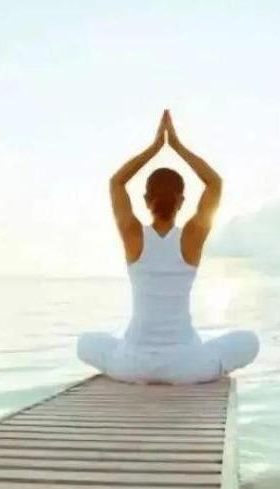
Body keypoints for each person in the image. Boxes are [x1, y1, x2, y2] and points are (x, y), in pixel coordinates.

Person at [77, 109, 259, 384]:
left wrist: (154, 148)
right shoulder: (192, 237)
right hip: (186, 365)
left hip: (134, 364)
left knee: (84, 343)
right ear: (181, 201)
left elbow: (117, 182)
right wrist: (176, 146)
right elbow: (214, 183)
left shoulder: (133, 235)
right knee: (250, 340)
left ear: (146, 199)